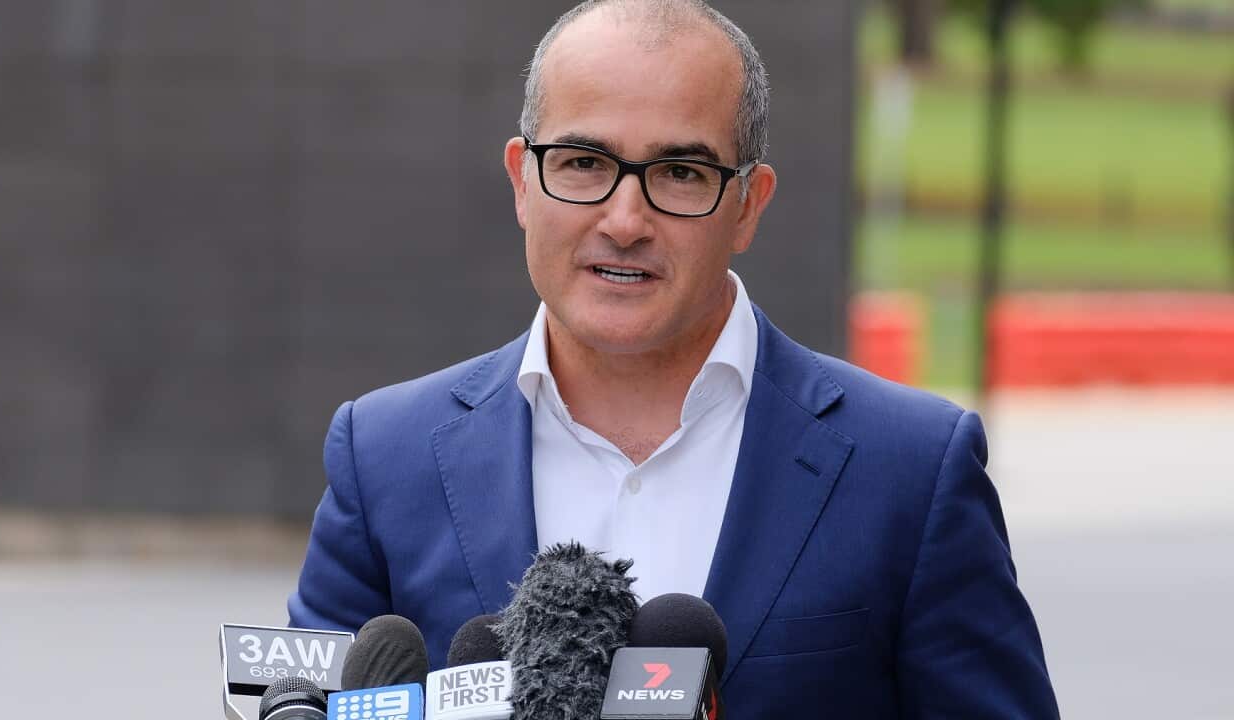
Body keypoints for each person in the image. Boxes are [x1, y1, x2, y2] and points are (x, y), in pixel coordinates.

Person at [288, 1, 1060, 716]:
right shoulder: (383, 458)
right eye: (584, 162)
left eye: (681, 173)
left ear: (749, 204)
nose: (625, 221)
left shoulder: (912, 470)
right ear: (523, 181)